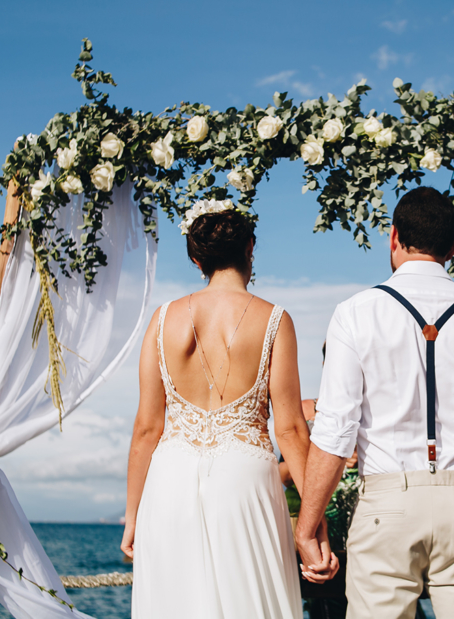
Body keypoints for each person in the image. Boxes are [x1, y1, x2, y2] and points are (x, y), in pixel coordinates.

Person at [295, 186, 454, 619]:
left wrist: (307, 526)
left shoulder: (355, 312)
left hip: (386, 506)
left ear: (393, 237)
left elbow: (335, 430)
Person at [122, 202, 337, 618]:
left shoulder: (162, 319)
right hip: (245, 480)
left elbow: (147, 429)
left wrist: (133, 514)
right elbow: (290, 428)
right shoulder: (275, 319)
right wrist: (313, 522)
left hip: (169, 481)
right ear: (250, 248)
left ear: (195, 258)